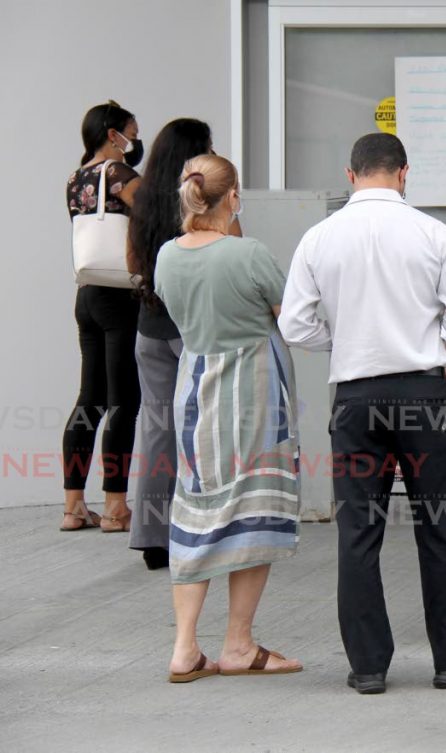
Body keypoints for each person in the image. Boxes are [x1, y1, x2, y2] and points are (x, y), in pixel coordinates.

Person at [279, 133, 446, 695]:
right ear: (404, 173)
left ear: (350, 175)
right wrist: (437, 352)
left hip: (355, 398)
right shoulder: (433, 234)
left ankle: (368, 666)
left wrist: (345, 339)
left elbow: (294, 324)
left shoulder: (319, 237)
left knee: (358, 532)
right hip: (425, 394)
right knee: (441, 527)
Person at [155, 154, 302, 682]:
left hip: (195, 388)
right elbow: (291, 313)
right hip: (252, 392)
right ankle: (238, 642)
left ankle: (184, 647)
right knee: (252, 511)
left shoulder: (167, 256)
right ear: (233, 197)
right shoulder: (249, 253)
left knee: (196, 512)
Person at [126, 118, 242, 570]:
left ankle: (154, 537)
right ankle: (208, 530)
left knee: (157, 430)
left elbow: (132, 263)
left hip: (150, 325)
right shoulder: (208, 204)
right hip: (198, 327)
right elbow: (231, 258)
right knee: (208, 426)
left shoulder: (142, 198)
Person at [61, 101, 143, 533]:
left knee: (88, 400)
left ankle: (73, 505)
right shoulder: (119, 175)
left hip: (87, 294)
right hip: (119, 295)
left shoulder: (76, 178)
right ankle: (115, 507)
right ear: (114, 135)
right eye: (131, 130)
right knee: (123, 403)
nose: (135, 138)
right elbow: (151, 216)